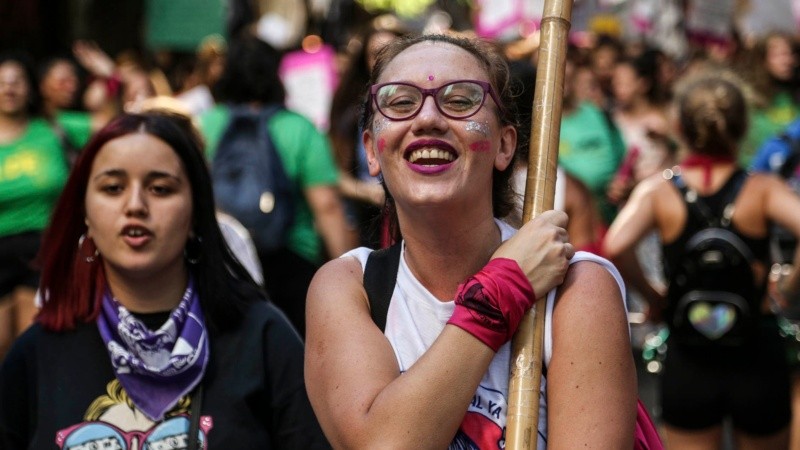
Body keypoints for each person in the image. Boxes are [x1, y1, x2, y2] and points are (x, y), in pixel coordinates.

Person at [304, 33, 637, 448]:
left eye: (461, 100)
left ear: (504, 146)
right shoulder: (349, 288)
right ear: (372, 151)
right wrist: (502, 290)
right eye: (401, 102)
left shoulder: (576, 289)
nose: (427, 119)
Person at [0, 111, 329, 448]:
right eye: (113, 188)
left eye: (160, 188)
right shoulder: (38, 352)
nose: (135, 205)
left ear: (196, 212)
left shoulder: (261, 338)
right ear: (85, 212)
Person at [603, 70, 799, 449]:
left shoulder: (659, 190)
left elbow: (616, 244)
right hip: (756, 351)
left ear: (679, 126)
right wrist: (788, 289)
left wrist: (655, 295)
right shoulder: (761, 189)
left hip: (689, 355)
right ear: (742, 126)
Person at [199, 34, 351, 337]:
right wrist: (350, 277)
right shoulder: (300, 128)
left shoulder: (204, 125)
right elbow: (327, 207)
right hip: (293, 262)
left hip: (224, 264)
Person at [0, 52, 72, 362]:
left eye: (17, 81)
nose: (9, 88)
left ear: (31, 88)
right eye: (1, 82)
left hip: (42, 250)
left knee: (30, 347)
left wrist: (111, 78)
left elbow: (115, 121)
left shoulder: (53, 129)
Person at [328, 14, 406, 248]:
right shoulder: (355, 110)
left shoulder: (427, 101)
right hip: (369, 220)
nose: (385, 59)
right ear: (364, 60)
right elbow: (335, 173)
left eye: (392, 50)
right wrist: (370, 192)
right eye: (376, 53)